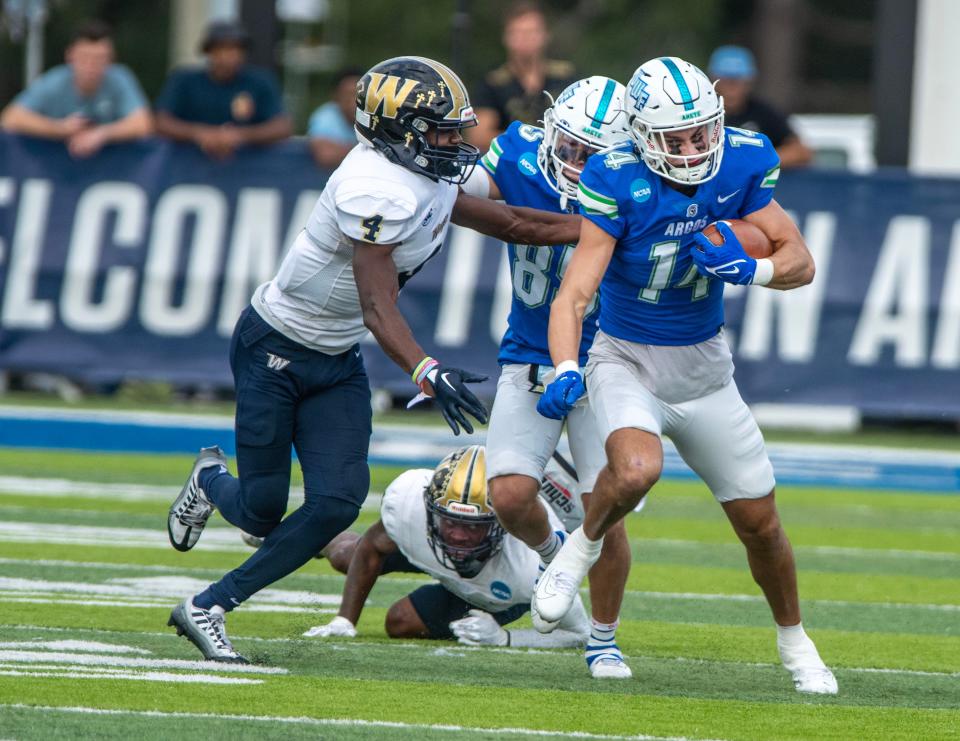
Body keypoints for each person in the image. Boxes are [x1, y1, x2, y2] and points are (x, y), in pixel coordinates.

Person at [164, 56, 581, 663]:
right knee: (260, 508)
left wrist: (600, 230)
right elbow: (376, 303)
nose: (454, 142)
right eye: (440, 129)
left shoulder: (427, 174)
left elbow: (512, 221)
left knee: (336, 502)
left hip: (335, 358)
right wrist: (425, 369)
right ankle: (210, 481)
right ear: (398, 130)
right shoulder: (373, 185)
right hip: (275, 348)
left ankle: (209, 605)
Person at [532, 56, 837, 695]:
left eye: (702, 133)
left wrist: (749, 271)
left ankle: (795, 642)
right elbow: (573, 296)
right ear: (642, 135)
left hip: (705, 372)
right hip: (626, 360)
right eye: (677, 138)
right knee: (637, 470)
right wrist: (565, 364)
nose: (695, 148)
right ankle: (581, 547)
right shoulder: (614, 176)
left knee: (762, 526)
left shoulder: (745, 159)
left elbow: (800, 260)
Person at [459, 76, 636, 678]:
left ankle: (604, 639)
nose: (574, 160)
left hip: (608, 361)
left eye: (592, 154)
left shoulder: (638, 184)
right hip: (530, 352)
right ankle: (560, 557)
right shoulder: (518, 152)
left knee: (603, 509)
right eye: (569, 145)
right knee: (508, 495)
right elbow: (463, 193)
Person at [302, 446, 589, 647]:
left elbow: (578, 634)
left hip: (490, 591)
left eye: (473, 526)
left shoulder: (532, 563)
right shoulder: (409, 504)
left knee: (401, 623)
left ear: (501, 524)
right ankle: (298, 538)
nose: (458, 536)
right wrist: (345, 620)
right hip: (429, 546)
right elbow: (372, 548)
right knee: (345, 556)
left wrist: (505, 639)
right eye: (450, 522)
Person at [0, 19, 152, 158]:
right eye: (85, 57)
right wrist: (60, 129)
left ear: (111, 59)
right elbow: (11, 118)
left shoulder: (120, 78)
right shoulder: (55, 81)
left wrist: (101, 134)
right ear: (70, 56)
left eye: (99, 59)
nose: (91, 66)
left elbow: (142, 123)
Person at [154, 20, 292, 159]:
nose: (230, 55)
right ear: (209, 51)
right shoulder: (184, 80)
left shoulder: (260, 81)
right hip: (184, 168)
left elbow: (282, 126)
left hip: (248, 171)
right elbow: (161, 121)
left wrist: (239, 135)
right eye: (223, 48)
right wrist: (199, 133)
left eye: (237, 48)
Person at [470, 1, 576, 153]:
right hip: (511, 165)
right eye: (518, 33)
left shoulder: (566, 76)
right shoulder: (493, 83)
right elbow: (479, 136)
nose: (525, 39)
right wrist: (536, 141)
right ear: (506, 37)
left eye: (532, 32)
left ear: (545, 35)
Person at [707, 45, 812, 169]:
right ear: (713, 80)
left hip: (753, 186)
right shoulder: (703, 111)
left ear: (749, 81)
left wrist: (758, 163)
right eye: (725, 80)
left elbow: (800, 152)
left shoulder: (763, 112)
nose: (732, 88)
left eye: (737, 81)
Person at [307, 67, 362, 169]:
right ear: (335, 95)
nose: (354, 101)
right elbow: (326, 156)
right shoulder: (325, 117)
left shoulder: (375, 114)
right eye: (348, 94)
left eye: (358, 94)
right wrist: (369, 150)